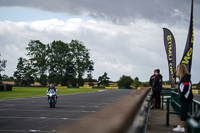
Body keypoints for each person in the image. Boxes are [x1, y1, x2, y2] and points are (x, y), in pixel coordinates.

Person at [173, 64, 193, 132]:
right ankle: (181, 125)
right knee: (182, 111)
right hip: (185, 98)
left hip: (185, 98)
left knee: (183, 112)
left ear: (179, 70)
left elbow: (186, 87)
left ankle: (181, 127)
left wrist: (182, 96)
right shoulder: (185, 77)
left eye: (177, 70)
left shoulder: (185, 78)